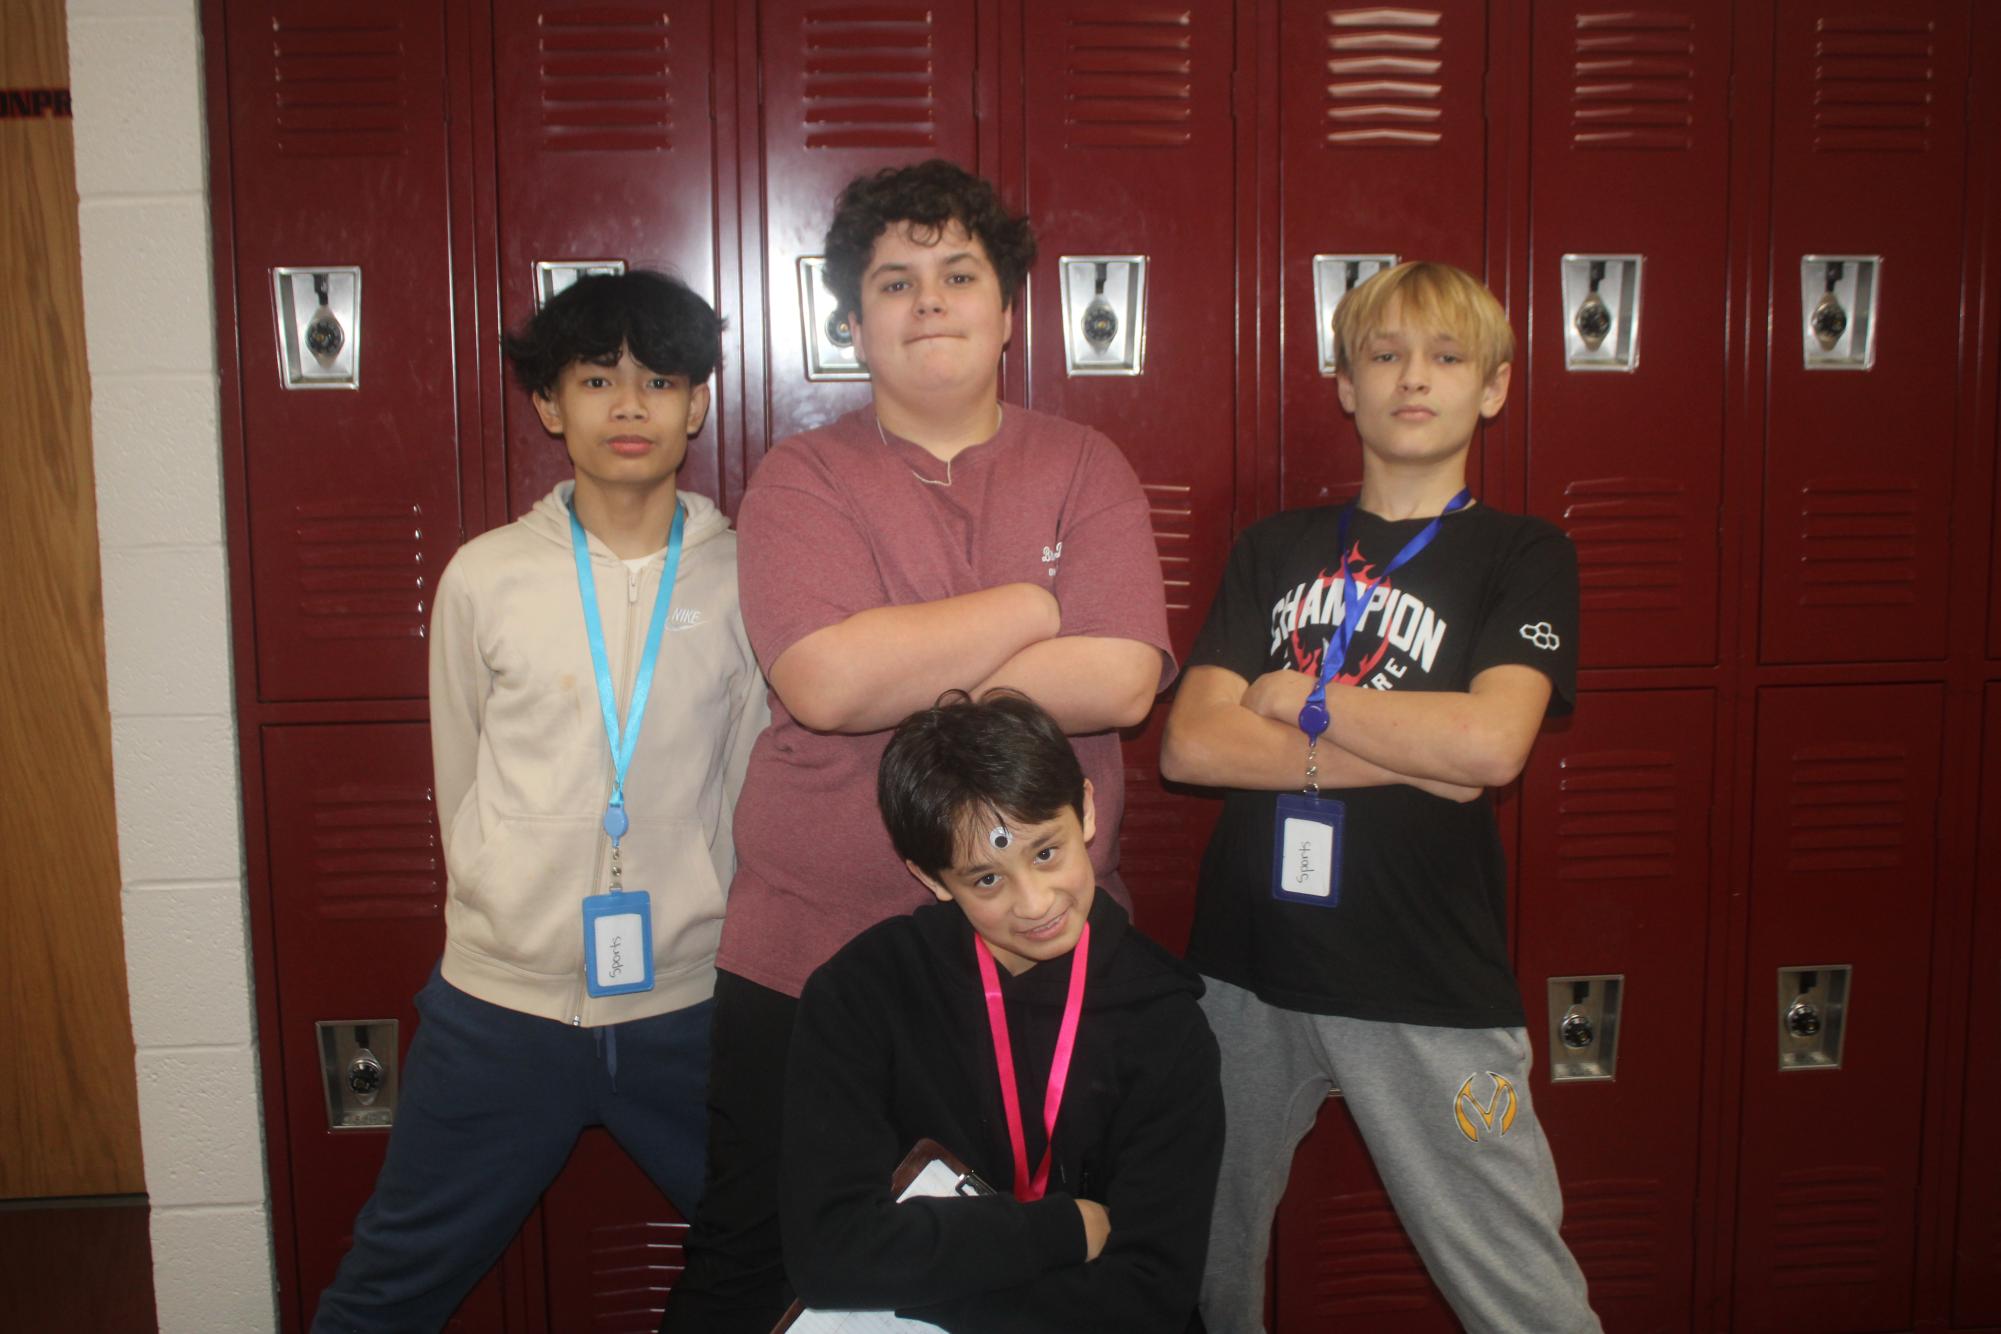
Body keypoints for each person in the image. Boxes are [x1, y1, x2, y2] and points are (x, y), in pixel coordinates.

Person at [660, 160, 1174, 1332]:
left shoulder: (1085, 466)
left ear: (1008, 309)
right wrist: (1037, 607)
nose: (929, 299)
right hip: (809, 953)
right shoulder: (801, 475)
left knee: (1026, 1256)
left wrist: (905, 652)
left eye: (958, 274)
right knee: (757, 1253)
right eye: (895, 281)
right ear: (853, 321)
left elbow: (1126, 679)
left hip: (1039, 950)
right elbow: (827, 684)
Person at [312, 271, 767, 1332]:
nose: (628, 406)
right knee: (386, 1286)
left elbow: (745, 782)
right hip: (502, 1010)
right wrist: (502, 897)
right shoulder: (485, 576)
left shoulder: (744, 578)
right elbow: (459, 768)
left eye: (659, 379)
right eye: (598, 378)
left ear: (697, 403)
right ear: (549, 405)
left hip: (685, 1009)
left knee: (789, 1254)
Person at [1159, 261, 1599, 1334]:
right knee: (1205, 1275)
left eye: (1447, 357)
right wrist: (1418, 749)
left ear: (1491, 388)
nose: (1415, 378)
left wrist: (1304, 698)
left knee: (1520, 1289)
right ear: (1345, 383)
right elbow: (1189, 744)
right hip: (1245, 969)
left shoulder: (1524, 552)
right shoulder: (1274, 548)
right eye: (1385, 353)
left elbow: (1493, 742)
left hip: (1424, 975)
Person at [780, 691, 1222, 1333]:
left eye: (1047, 853)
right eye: (986, 879)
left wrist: (929, 1285)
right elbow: (828, 1254)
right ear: (932, 880)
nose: (1036, 902)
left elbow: (1151, 1292)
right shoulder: (860, 995)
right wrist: (1064, 1227)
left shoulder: (1165, 1021)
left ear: (1088, 810)